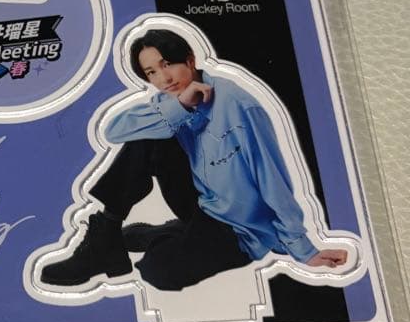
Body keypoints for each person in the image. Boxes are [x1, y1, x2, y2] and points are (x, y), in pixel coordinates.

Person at [39, 28, 347, 291]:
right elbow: (114, 131)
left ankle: (165, 235)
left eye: (167, 64)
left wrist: (301, 247)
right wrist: (181, 107)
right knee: (149, 133)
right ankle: (105, 238)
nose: (163, 78)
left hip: (238, 228)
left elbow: (273, 178)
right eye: (151, 72)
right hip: (199, 204)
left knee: (156, 271)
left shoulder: (238, 105)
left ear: (189, 59)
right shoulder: (172, 99)